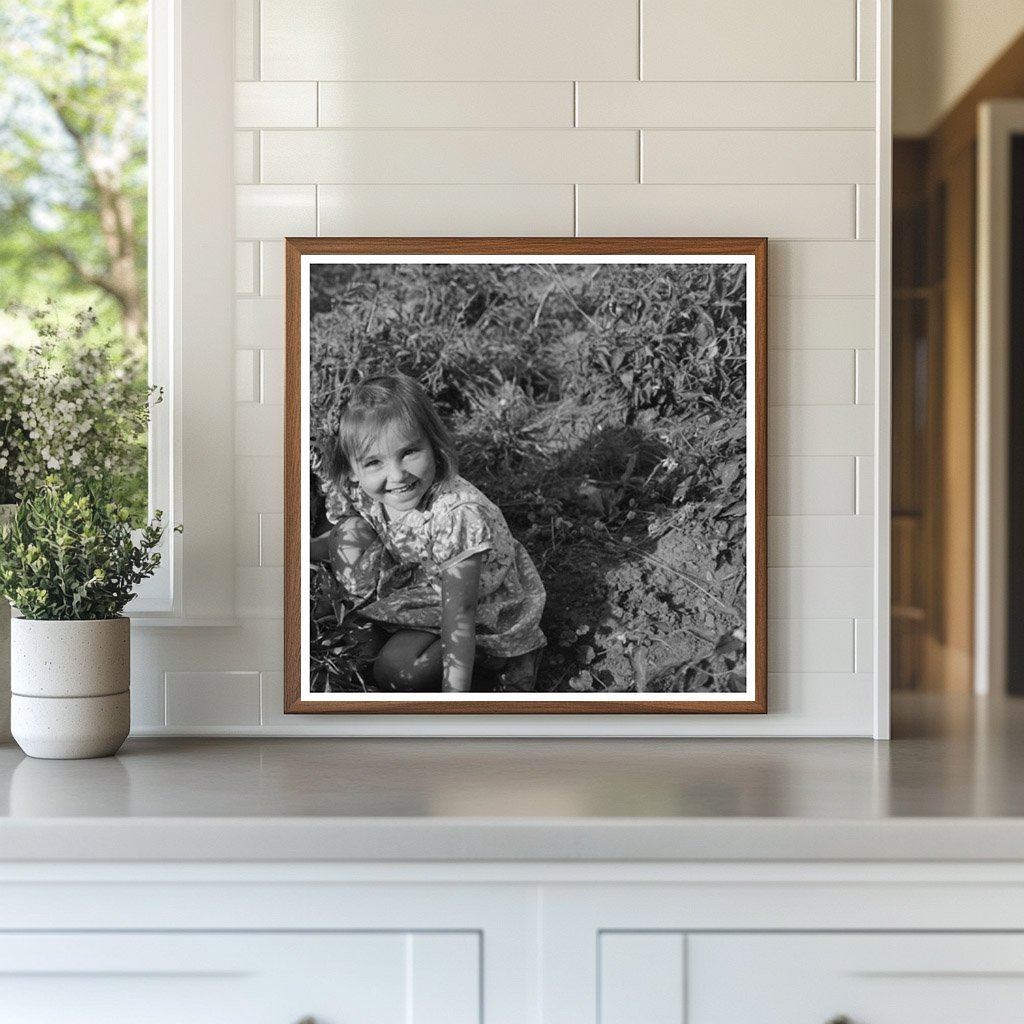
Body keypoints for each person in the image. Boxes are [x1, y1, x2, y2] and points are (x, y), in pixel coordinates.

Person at [316, 373, 546, 693]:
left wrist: (454, 700)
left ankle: (489, 657)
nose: (396, 475)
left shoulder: (457, 515)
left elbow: (460, 613)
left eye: (409, 452)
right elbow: (335, 541)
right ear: (353, 470)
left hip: (472, 604)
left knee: (396, 672)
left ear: (433, 445)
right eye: (374, 462)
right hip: (414, 574)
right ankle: (380, 621)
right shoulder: (361, 488)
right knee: (346, 532)